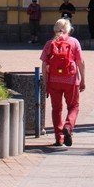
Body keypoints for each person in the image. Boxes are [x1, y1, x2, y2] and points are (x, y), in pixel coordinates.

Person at [40, 18, 86, 147]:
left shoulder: (49, 43)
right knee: (74, 106)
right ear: (68, 29)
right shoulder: (74, 42)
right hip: (71, 81)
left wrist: (46, 83)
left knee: (56, 109)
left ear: (55, 29)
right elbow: (80, 62)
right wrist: (83, 80)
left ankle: (59, 138)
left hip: (54, 81)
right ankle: (68, 126)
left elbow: (44, 65)